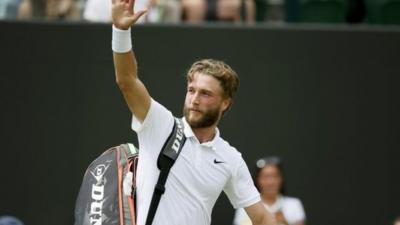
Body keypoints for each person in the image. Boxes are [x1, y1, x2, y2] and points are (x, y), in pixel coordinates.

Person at [110, 0, 277, 225]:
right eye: (191, 90)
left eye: (206, 94)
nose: (195, 99)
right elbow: (127, 81)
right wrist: (121, 30)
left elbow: (262, 217)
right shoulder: (159, 124)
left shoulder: (230, 159)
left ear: (225, 103)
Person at [233, 157, 306, 225]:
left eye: (275, 176)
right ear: (257, 180)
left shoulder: (294, 204)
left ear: (281, 179)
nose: (270, 182)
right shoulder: (245, 207)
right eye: (265, 177)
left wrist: (285, 222)